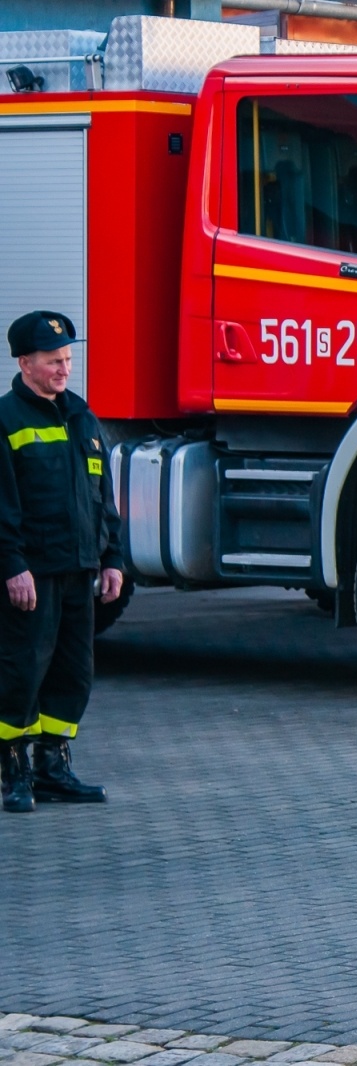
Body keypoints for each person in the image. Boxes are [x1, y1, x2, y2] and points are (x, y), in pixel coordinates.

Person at [1, 311, 123, 814]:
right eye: (54, 360)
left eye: (69, 359)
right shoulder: (7, 420)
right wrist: (11, 564)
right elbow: (2, 504)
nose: (64, 368)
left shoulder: (82, 418)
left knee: (74, 672)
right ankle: (15, 769)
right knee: (22, 672)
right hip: (34, 572)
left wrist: (112, 558)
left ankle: (53, 767)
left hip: (80, 570)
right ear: (25, 362)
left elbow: (103, 497)